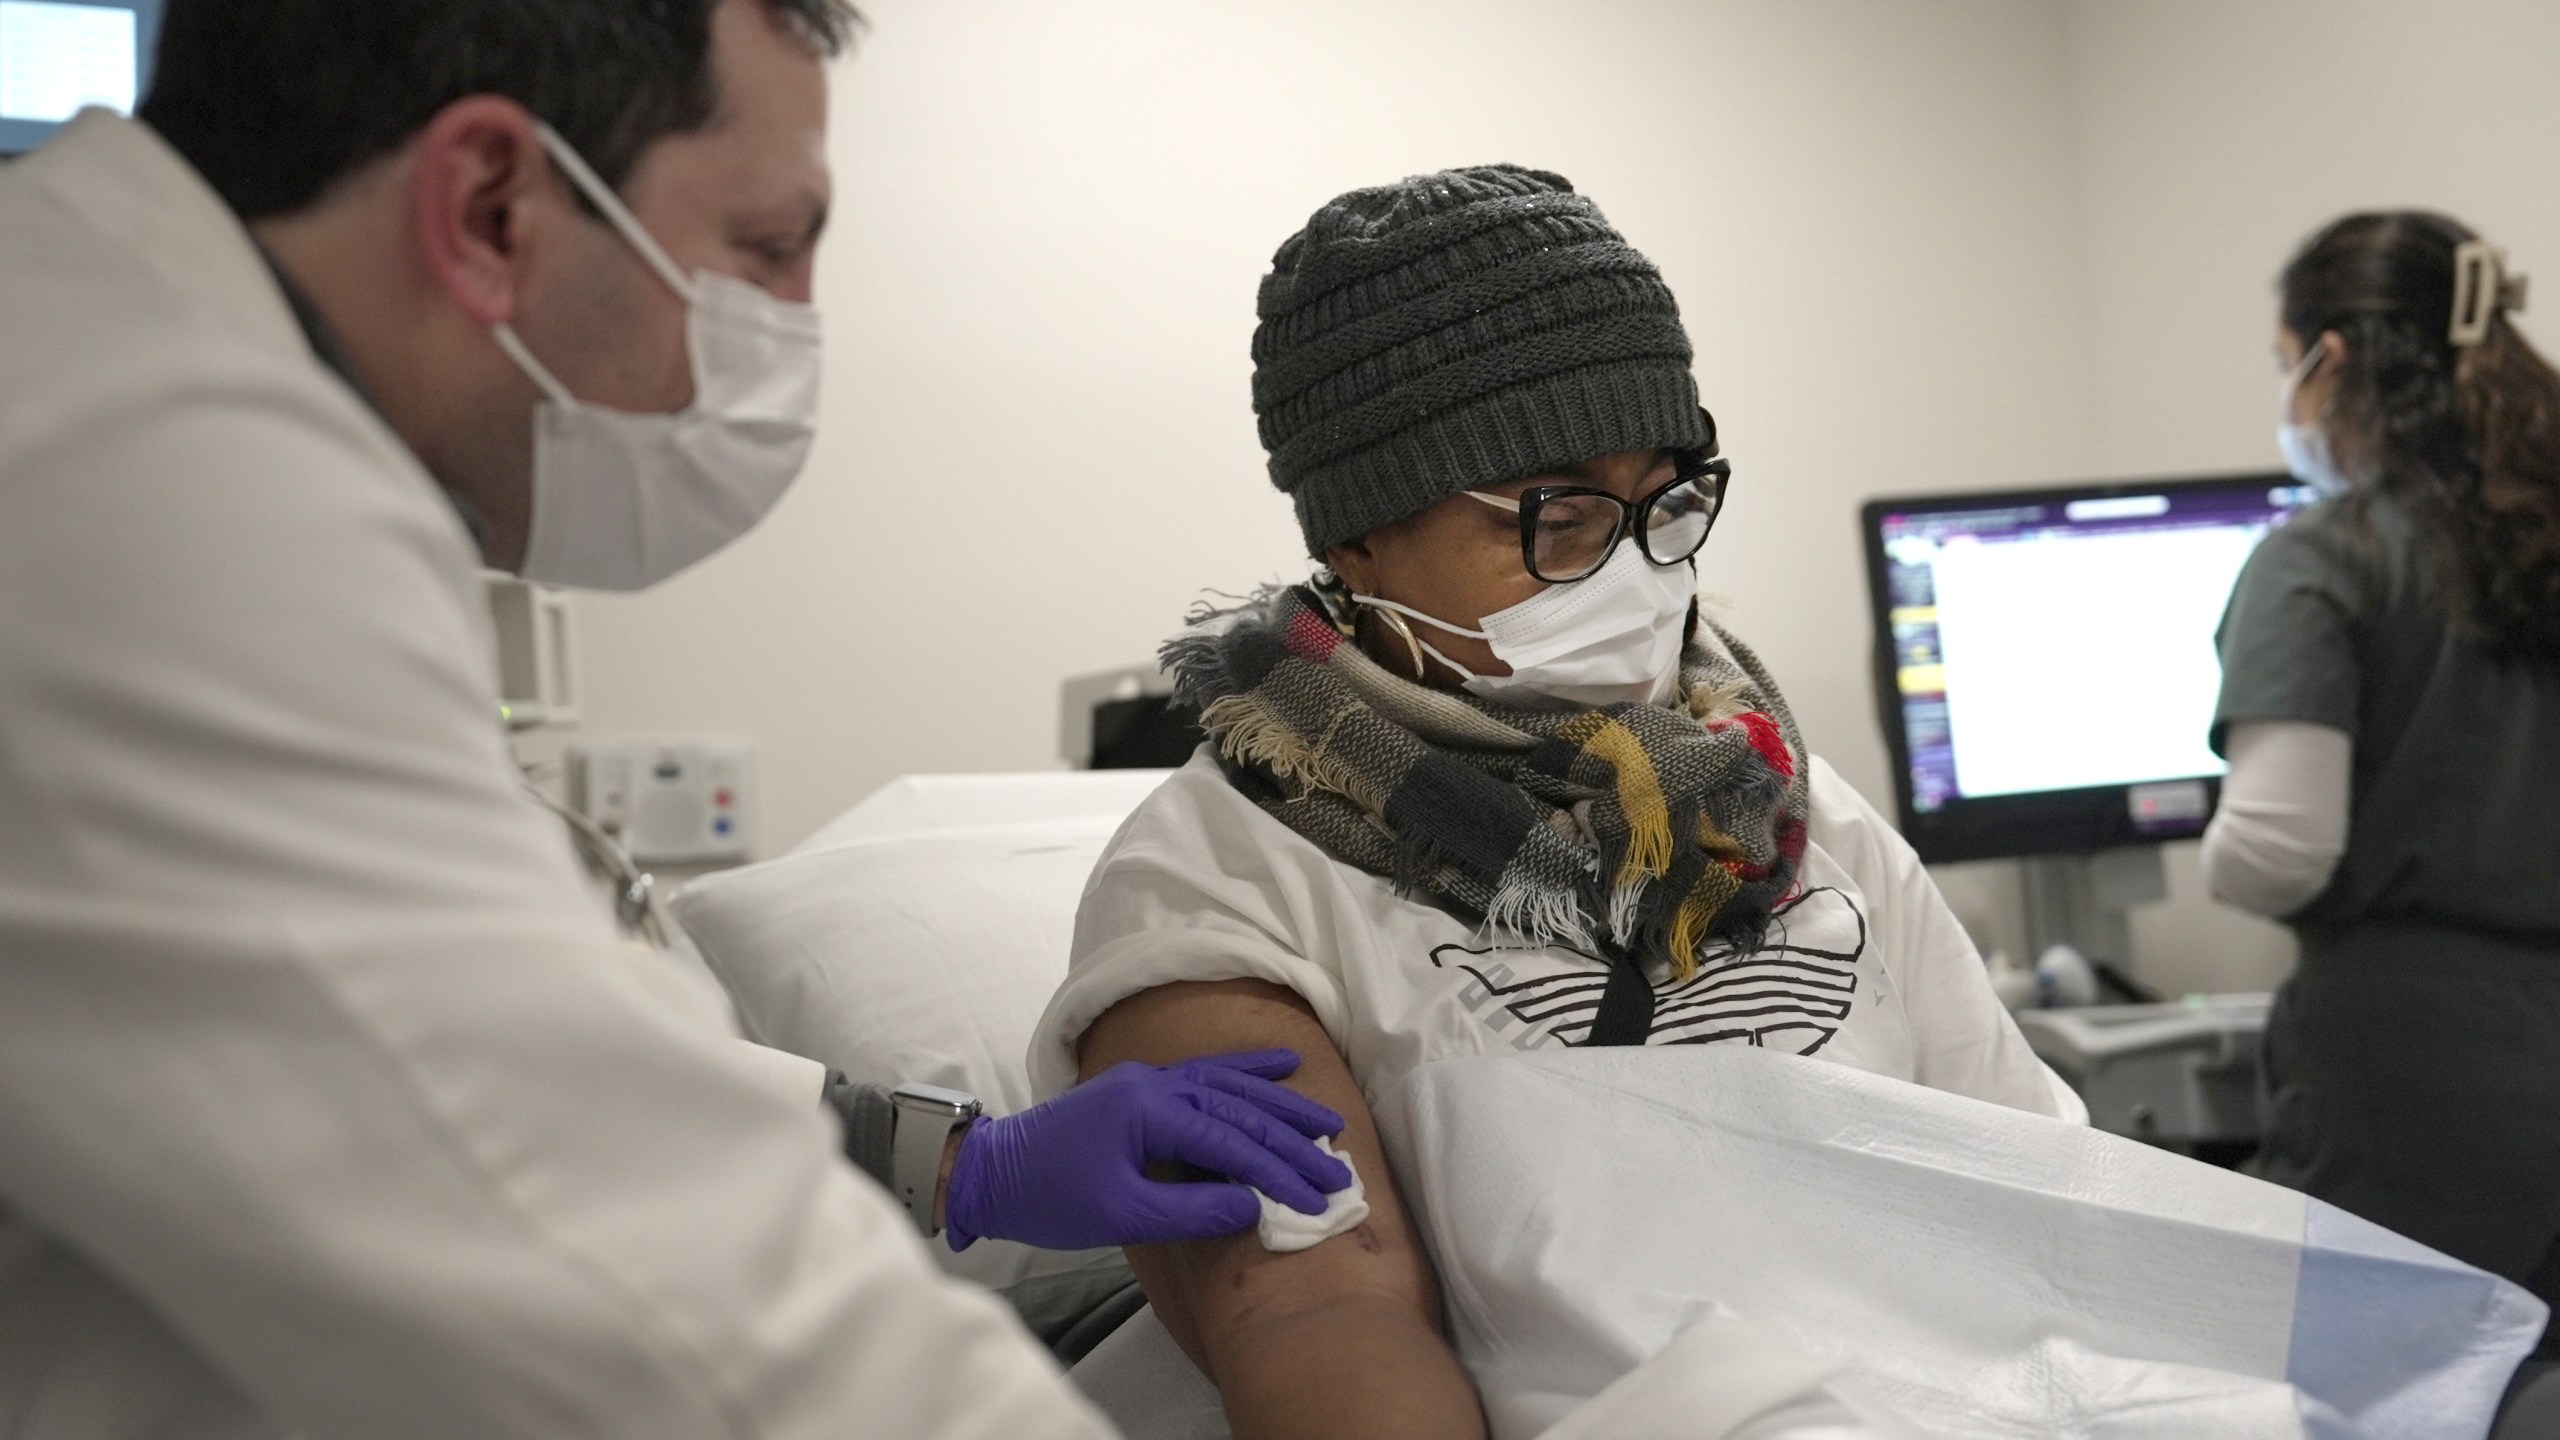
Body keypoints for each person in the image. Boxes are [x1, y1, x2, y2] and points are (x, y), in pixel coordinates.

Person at [0, 2, 1350, 1435]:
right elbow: (594, 1231)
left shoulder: (115, 366)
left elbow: (488, 1054)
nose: (790, 327)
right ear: (489, 205)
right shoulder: (130, 489)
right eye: (768, 251)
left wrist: (959, 1165)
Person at [1023, 165, 2082, 1439]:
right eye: (1561, 515)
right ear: (1356, 538)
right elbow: (1319, 1322)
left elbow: (2042, 1193)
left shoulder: (1786, 809)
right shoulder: (1224, 882)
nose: (1638, 571)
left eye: (1670, 500)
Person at [2205, 209, 2560, 1356]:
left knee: (2405, 1392)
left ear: (2332, 357)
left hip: (2419, 1090)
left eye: (2283, 363)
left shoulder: (2325, 556)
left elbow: (2275, 850)